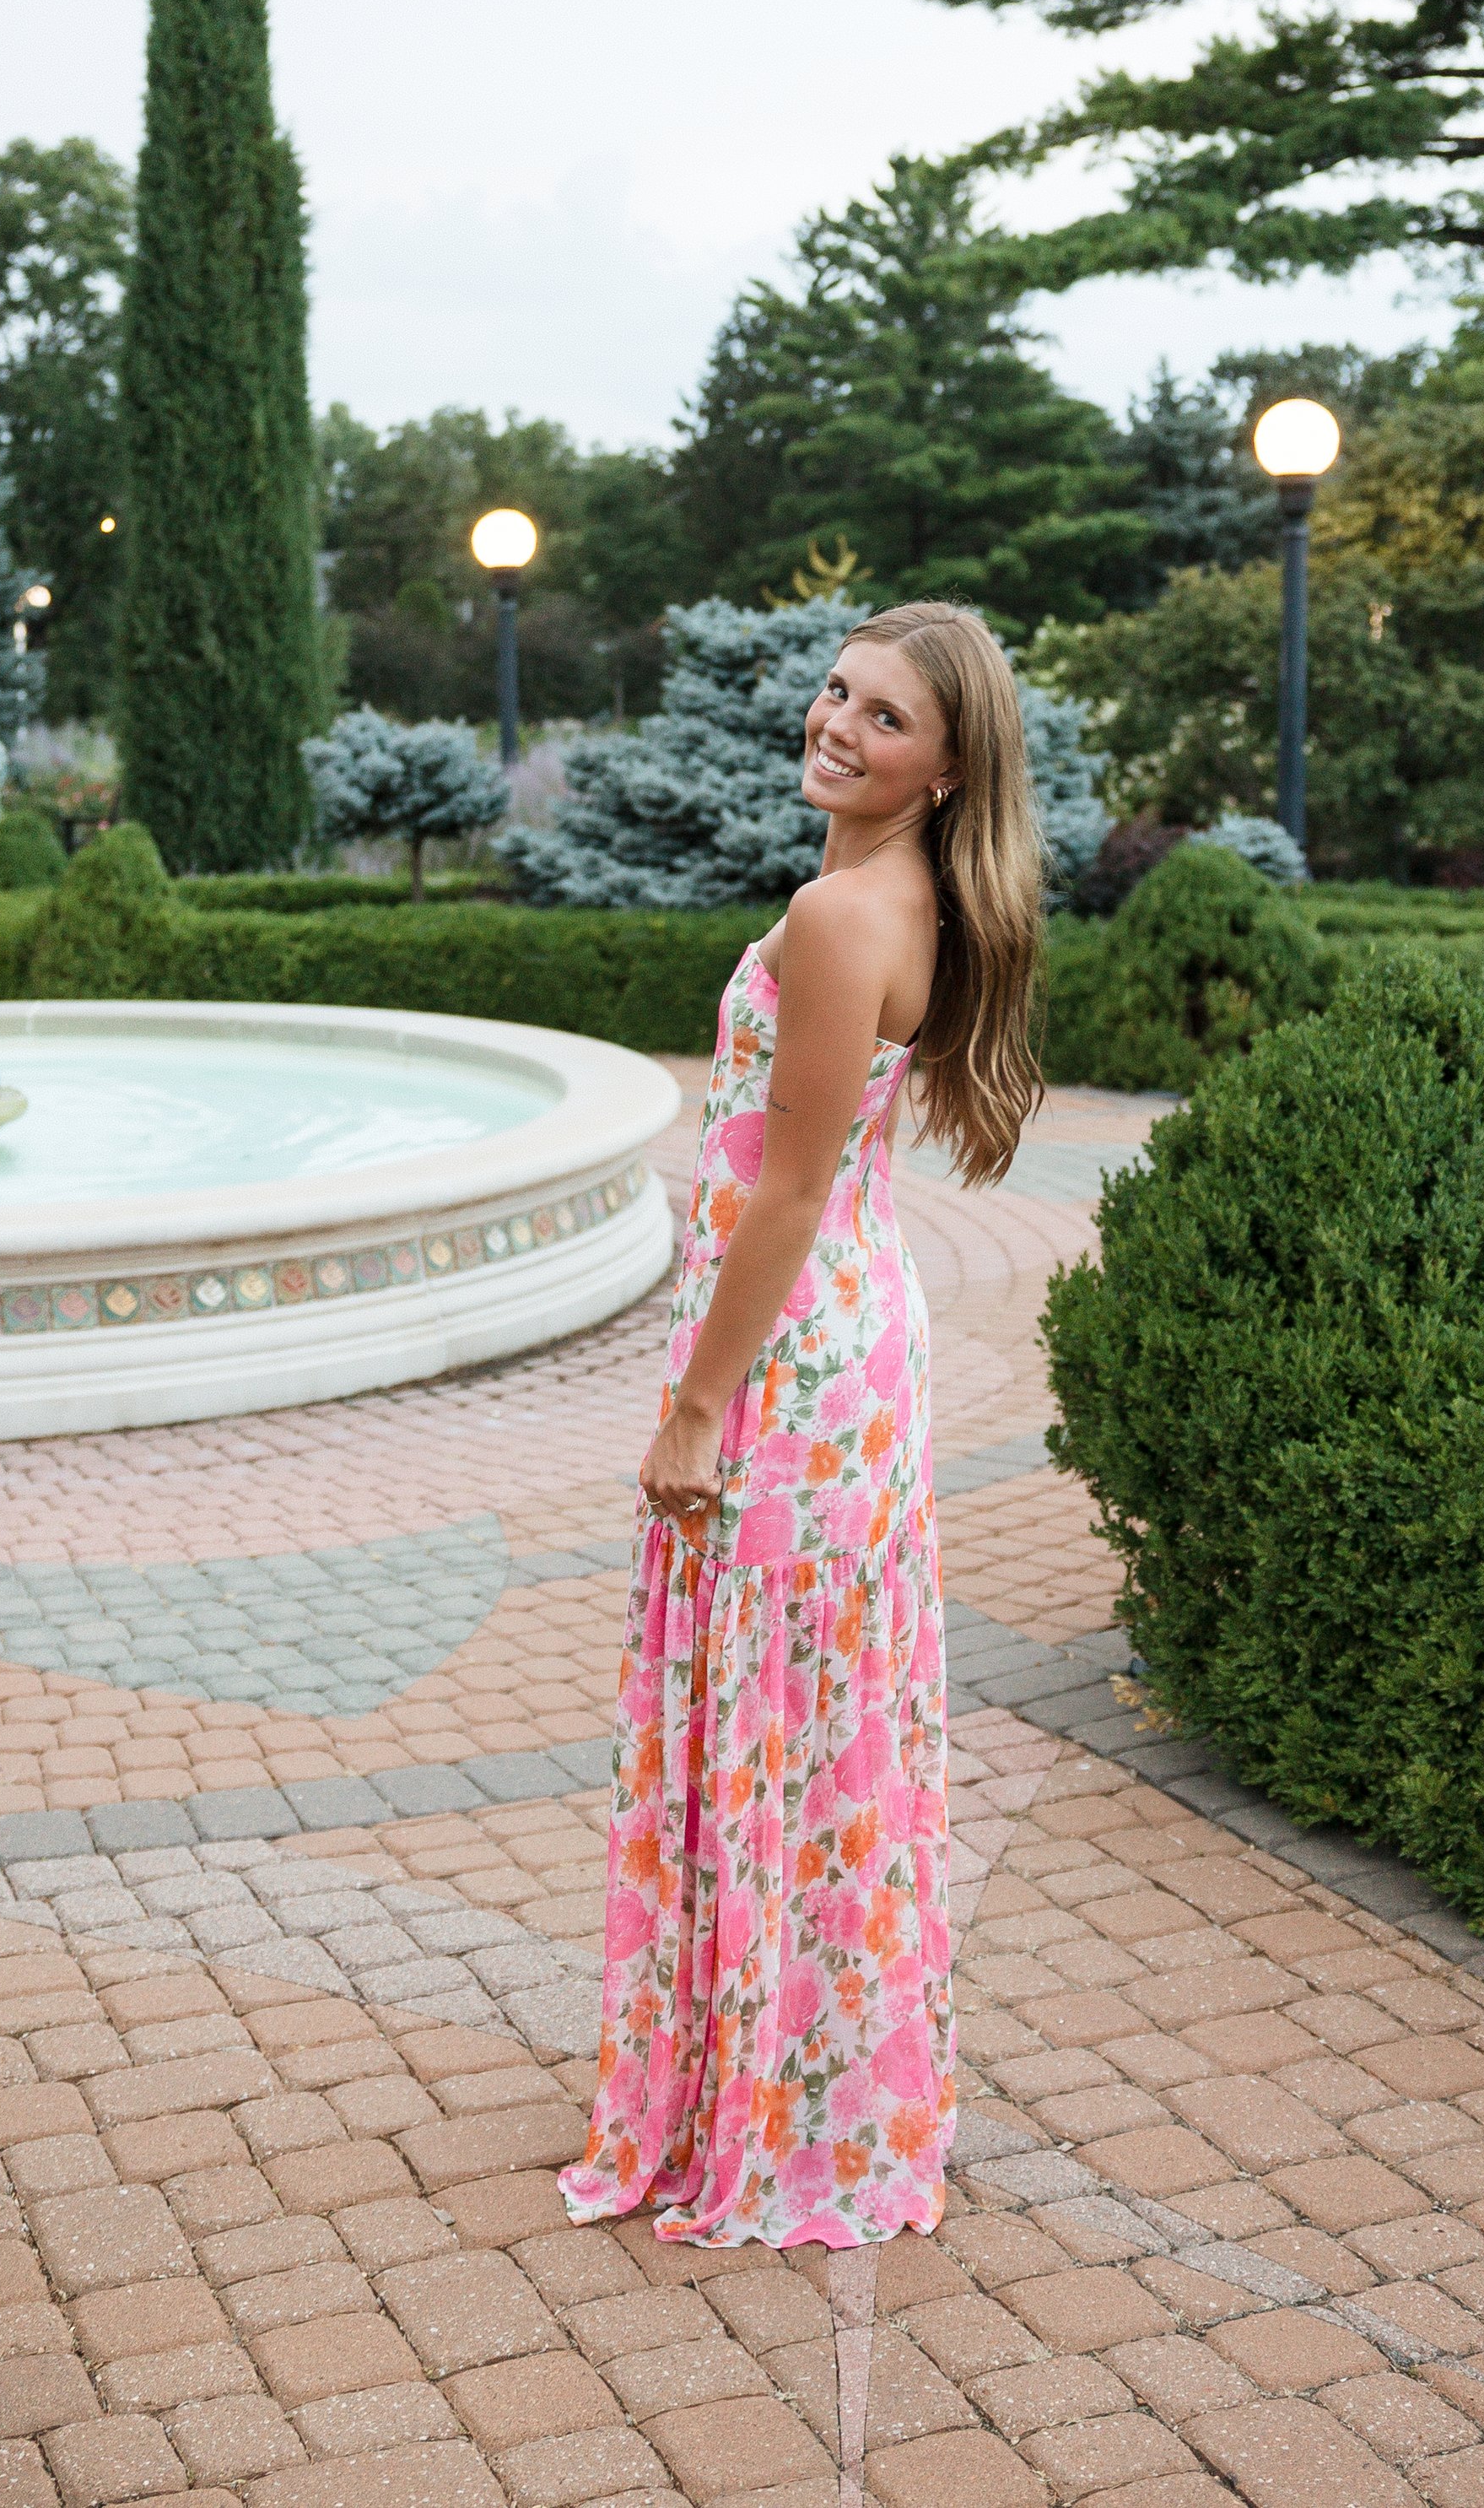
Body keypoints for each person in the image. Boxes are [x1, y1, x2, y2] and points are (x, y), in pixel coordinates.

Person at [559, 599, 1047, 2251]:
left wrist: (694, 1404)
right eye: (837, 693)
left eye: (883, 716)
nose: (836, 724)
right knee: (816, 1733)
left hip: (791, 1375)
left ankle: (775, 2103)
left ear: (946, 763)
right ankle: (807, 2073)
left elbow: (781, 1189)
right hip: (845, 1348)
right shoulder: (892, 896)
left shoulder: (843, 914)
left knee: (774, 1724)